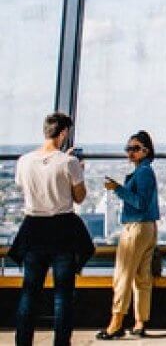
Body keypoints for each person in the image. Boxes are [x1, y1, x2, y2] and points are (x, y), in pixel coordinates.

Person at [9, 113, 95, 346]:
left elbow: (23, 187)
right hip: (62, 231)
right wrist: (78, 171)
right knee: (63, 296)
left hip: (33, 229)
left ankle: (23, 341)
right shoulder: (69, 163)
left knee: (30, 293)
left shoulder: (24, 161)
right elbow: (79, 198)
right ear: (64, 133)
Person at [96, 130, 160, 340]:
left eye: (134, 149)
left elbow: (139, 202)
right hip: (148, 228)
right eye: (128, 149)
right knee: (142, 277)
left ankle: (116, 324)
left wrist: (117, 189)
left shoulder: (143, 173)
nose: (130, 153)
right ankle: (140, 322)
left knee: (123, 275)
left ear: (146, 151)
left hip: (136, 228)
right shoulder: (145, 171)